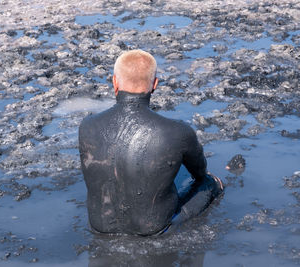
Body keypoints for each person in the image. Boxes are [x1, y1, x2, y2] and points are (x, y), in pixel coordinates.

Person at [78, 50, 223, 236]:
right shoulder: (178, 131)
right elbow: (200, 173)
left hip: (100, 228)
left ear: (114, 82)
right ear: (155, 84)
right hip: (155, 229)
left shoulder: (87, 126)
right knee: (210, 183)